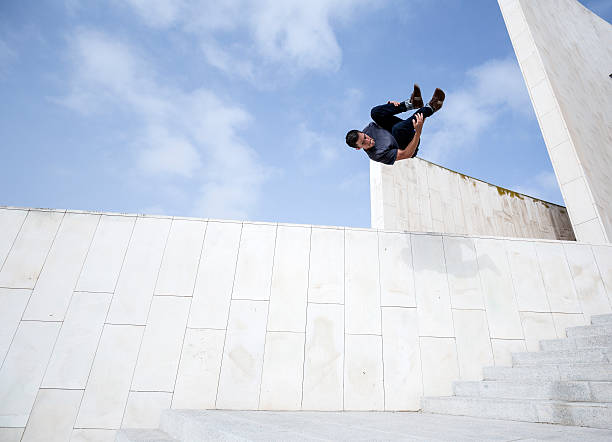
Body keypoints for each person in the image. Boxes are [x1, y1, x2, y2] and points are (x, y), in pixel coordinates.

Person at [345, 84, 445, 165]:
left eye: (365, 136)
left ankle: (411, 104)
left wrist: (389, 108)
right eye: (363, 143)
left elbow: (384, 119)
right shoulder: (377, 155)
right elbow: (407, 154)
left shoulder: (369, 129)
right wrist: (418, 132)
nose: (369, 140)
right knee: (398, 129)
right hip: (409, 145)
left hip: (399, 129)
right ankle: (432, 107)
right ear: (358, 148)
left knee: (375, 113)